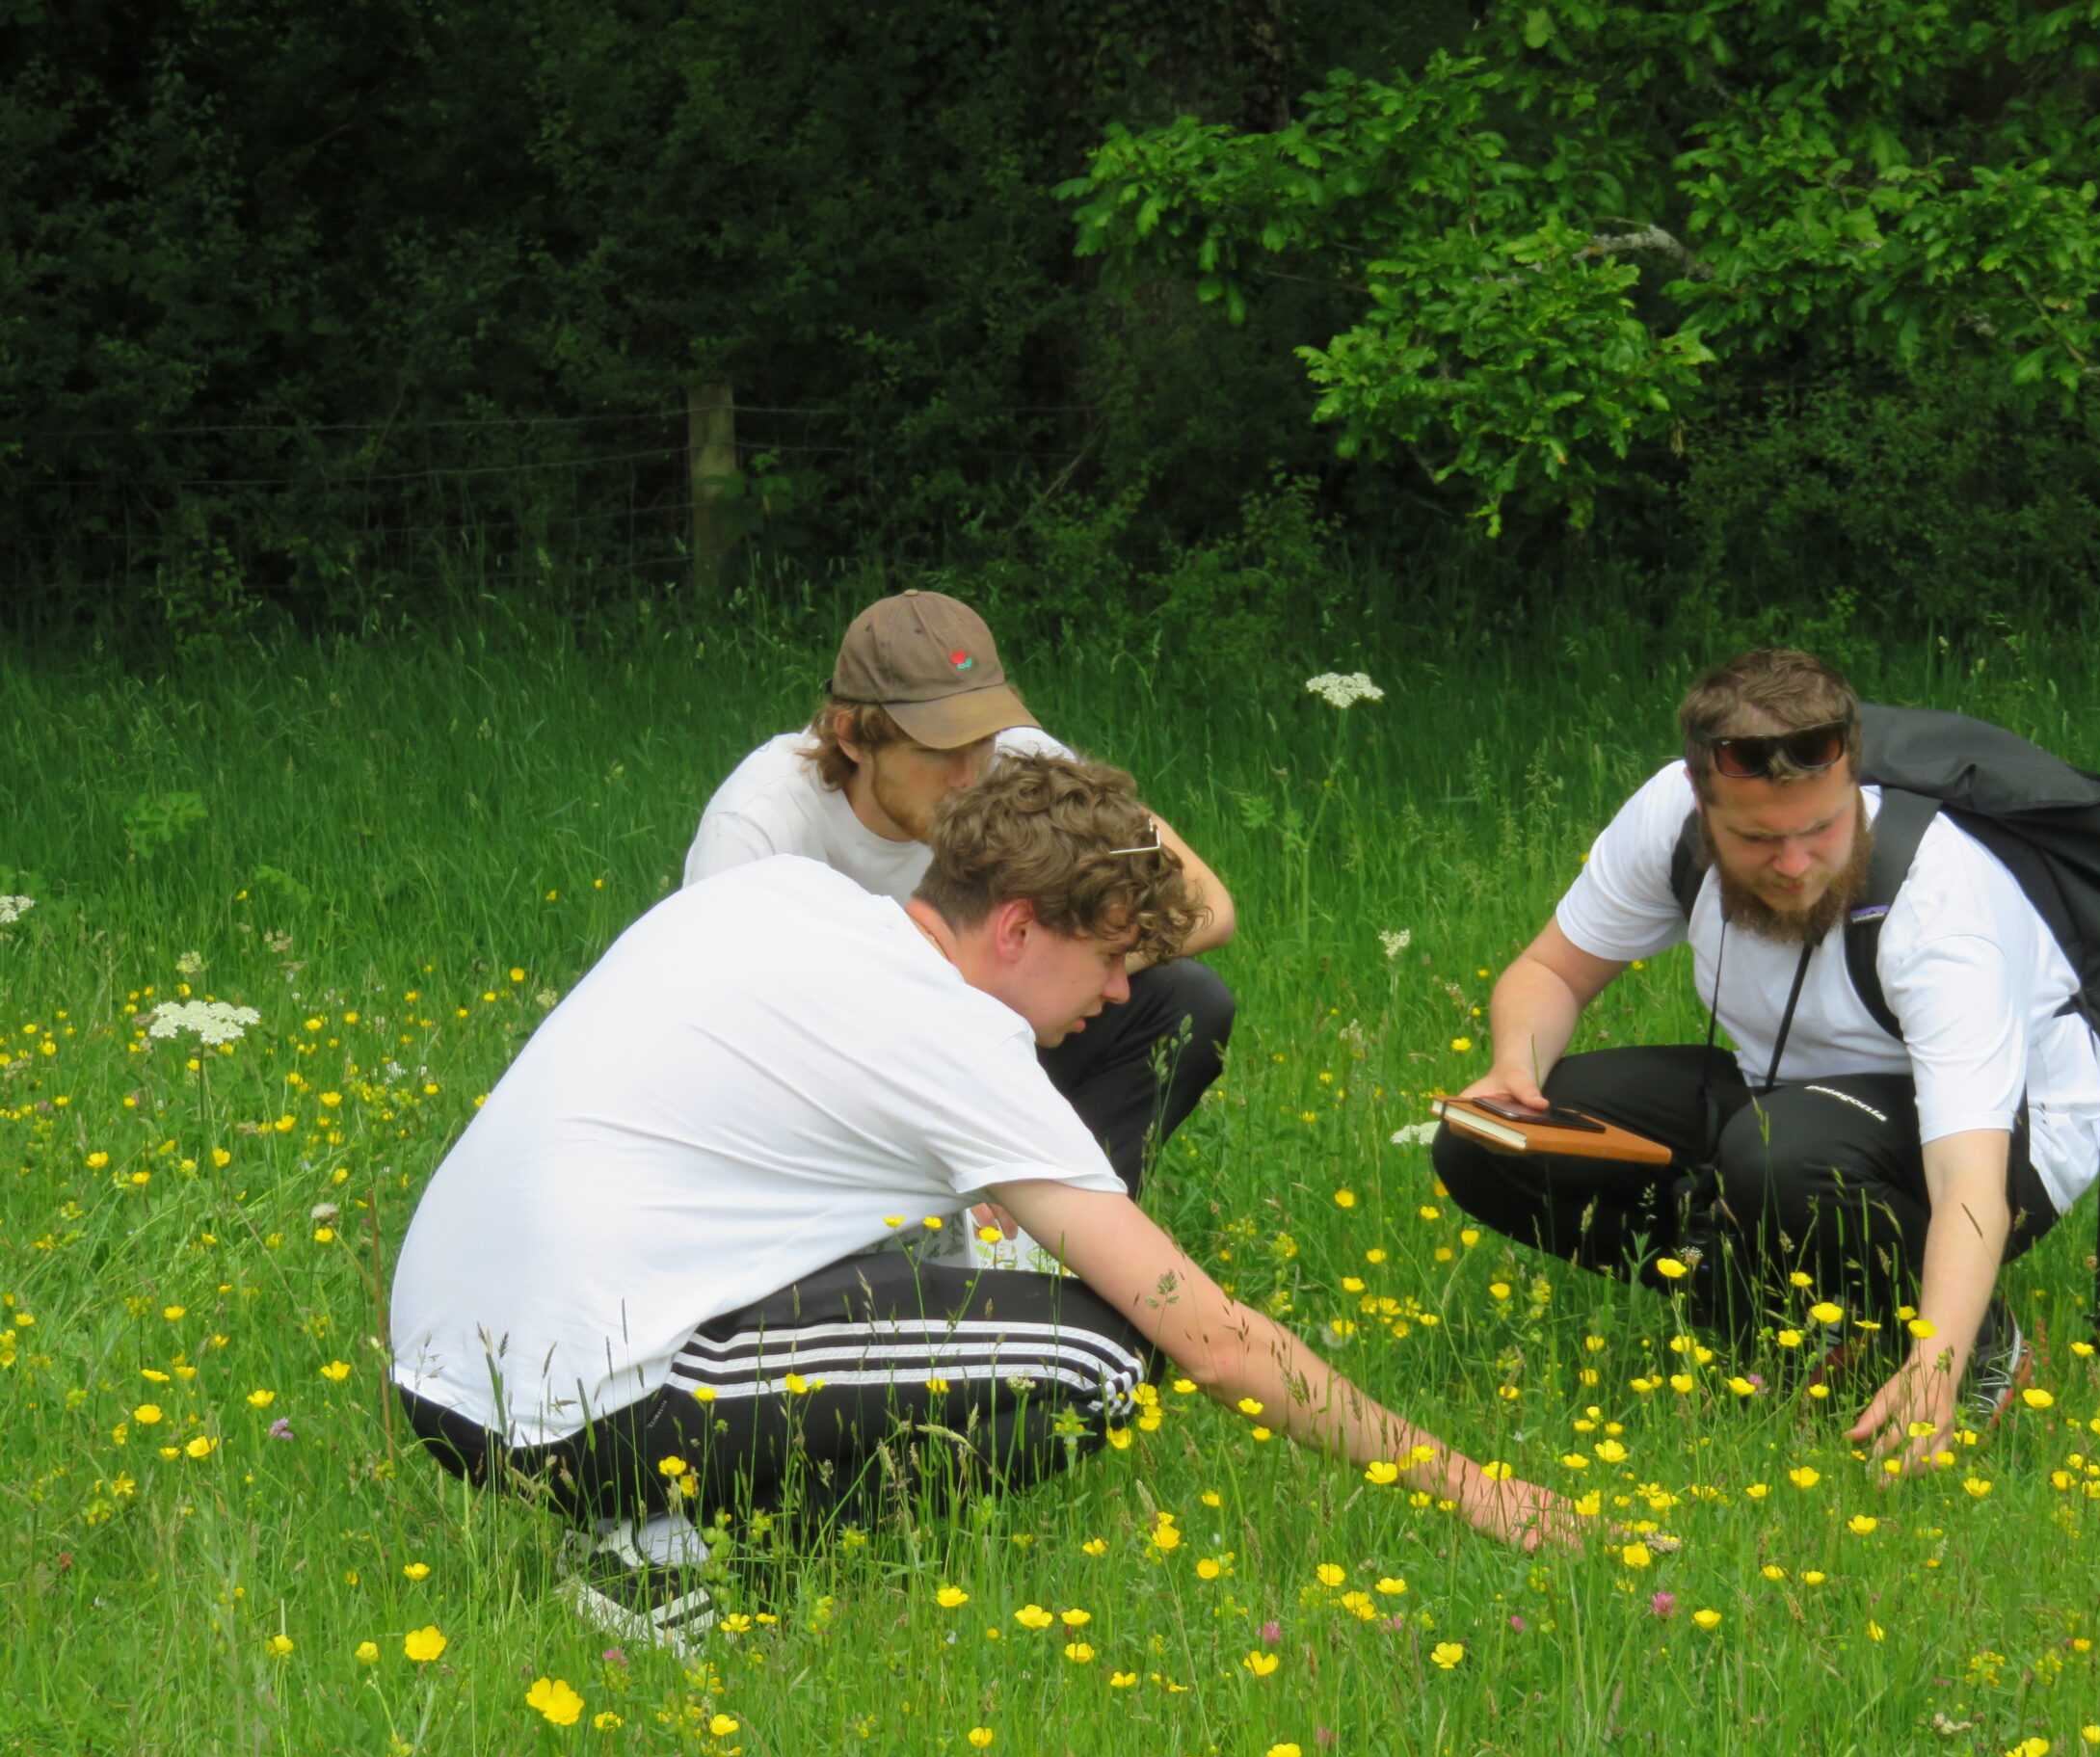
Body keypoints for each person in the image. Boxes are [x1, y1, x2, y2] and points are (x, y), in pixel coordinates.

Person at [393, 757, 1573, 1649]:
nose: (1121, 994)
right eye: (1109, 958)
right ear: (1015, 926)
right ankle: (671, 1559)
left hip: (444, 1363)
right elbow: (1211, 1342)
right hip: (556, 1407)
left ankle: (655, 1522)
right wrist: (1480, 1492)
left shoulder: (789, 899)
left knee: (949, 1281)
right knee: (1099, 1351)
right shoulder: (953, 1042)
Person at [1433, 649, 2100, 1476]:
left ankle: (1974, 1344)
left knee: (1776, 1156)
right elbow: (1550, 973)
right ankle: (1791, 1324)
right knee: (1488, 1143)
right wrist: (1514, 1068)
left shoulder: (1940, 908)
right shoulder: (1668, 820)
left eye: (1821, 830)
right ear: (1701, 805)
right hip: (1784, 1098)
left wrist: (1940, 1355)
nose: (1794, 866)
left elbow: (1971, 1178)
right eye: (1756, 839)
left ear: (1855, 784)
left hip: (2011, 1138)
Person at [684, 589, 1236, 1201]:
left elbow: (1206, 902)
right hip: (841, 1083)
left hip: (999, 1035)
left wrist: (1051, 979)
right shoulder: (760, 821)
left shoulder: (1016, 761)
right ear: (851, 736)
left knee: (1187, 999)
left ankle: (1061, 1220)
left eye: (980, 741)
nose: (970, 775)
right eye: (938, 750)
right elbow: (716, 1028)